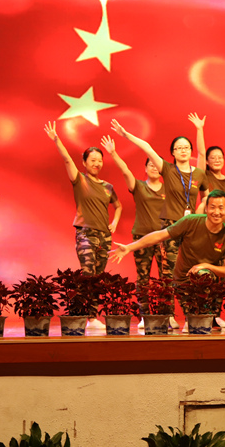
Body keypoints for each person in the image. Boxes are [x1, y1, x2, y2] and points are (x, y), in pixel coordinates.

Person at [110, 119, 208, 281]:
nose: (183, 150)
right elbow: (147, 148)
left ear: (191, 151)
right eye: (179, 148)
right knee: (169, 273)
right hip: (170, 223)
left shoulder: (199, 173)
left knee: (190, 271)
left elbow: (206, 199)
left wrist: (199, 129)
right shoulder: (168, 169)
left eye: (186, 147)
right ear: (173, 153)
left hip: (190, 226)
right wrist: (126, 135)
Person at [44, 121, 121, 275]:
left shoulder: (108, 187)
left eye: (99, 160)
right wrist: (56, 139)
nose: (97, 163)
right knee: (88, 274)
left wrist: (114, 223)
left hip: (105, 237)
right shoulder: (79, 180)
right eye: (93, 160)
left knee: (99, 278)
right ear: (84, 162)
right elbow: (67, 159)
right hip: (86, 233)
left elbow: (118, 206)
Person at [99, 135, 164, 318]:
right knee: (143, 277)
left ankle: (165, 314)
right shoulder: (139, 186)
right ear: (145, 168)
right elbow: (126, 171)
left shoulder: (169, 189)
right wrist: (113, 153)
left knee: (165, 279)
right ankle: (144, 315)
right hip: (141, 238)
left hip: (164, 239)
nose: (154, 167)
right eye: (150, 164)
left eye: (156, 164)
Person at [188, 113, 225, 223]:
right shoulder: (205, 176)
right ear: (207, 161)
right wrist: (199, 129)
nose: (217, 160)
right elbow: (201, 153)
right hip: (209, 225)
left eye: (220, 157)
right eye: (213, 158)